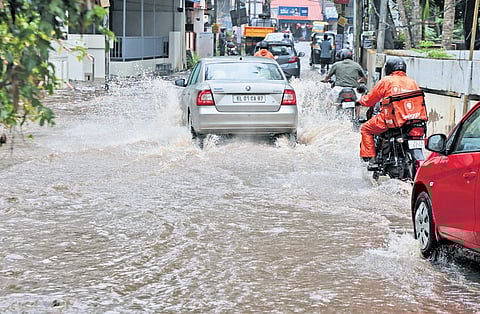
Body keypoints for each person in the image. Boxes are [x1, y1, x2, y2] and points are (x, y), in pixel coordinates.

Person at [356, 56, 428, 164]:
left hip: (392, 119)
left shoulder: (386, 81)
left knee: (365, 128)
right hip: (414, 120)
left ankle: (369, 159)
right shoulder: (412, 82)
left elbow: (370, 100)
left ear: (388, 68)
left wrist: (360, 101)